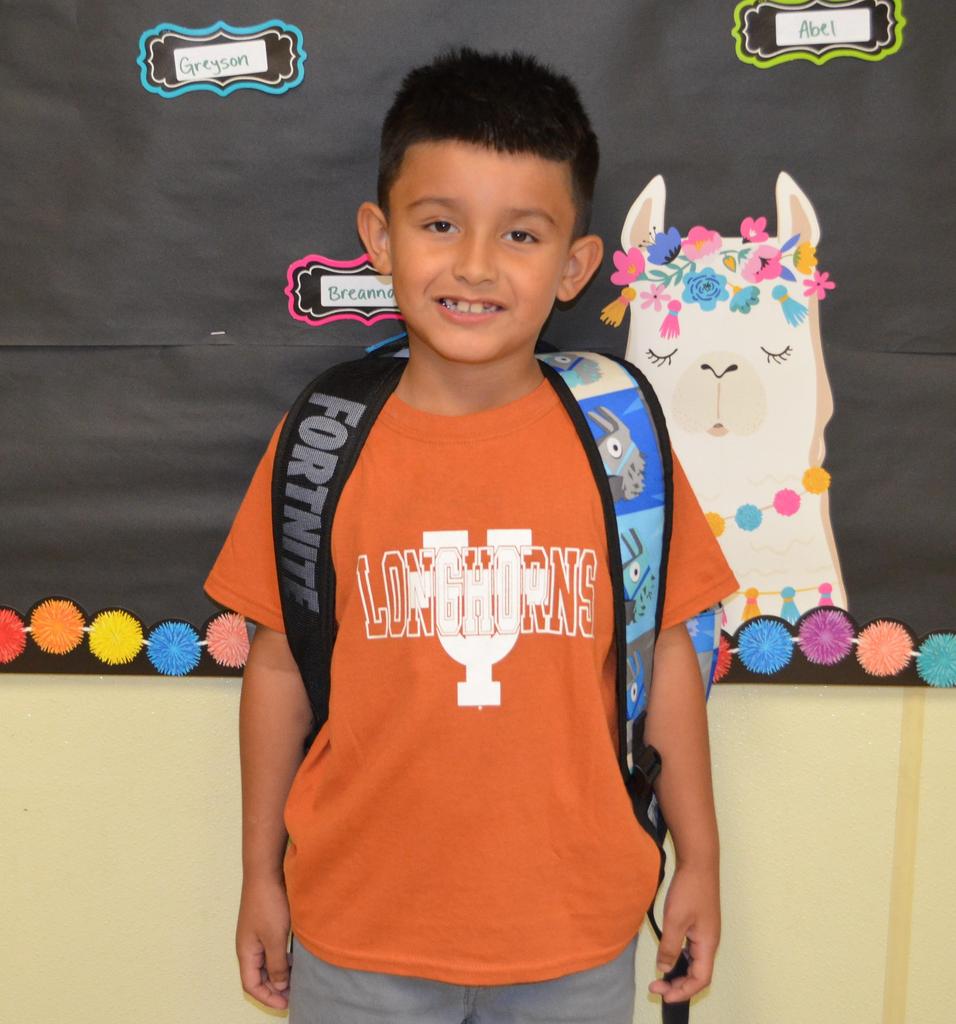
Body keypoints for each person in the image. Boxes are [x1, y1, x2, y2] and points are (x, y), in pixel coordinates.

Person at [206, 47, 737, 1024]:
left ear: (576, 263)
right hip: (355, 929)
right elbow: (279, 666)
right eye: (439, 224)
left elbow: (666, 649)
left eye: (522, 234)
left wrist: (699, 858)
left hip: (572, 933)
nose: (476, 265)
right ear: (379, 236)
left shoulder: (618, 441)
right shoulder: (324, 439)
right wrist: (257, 872)